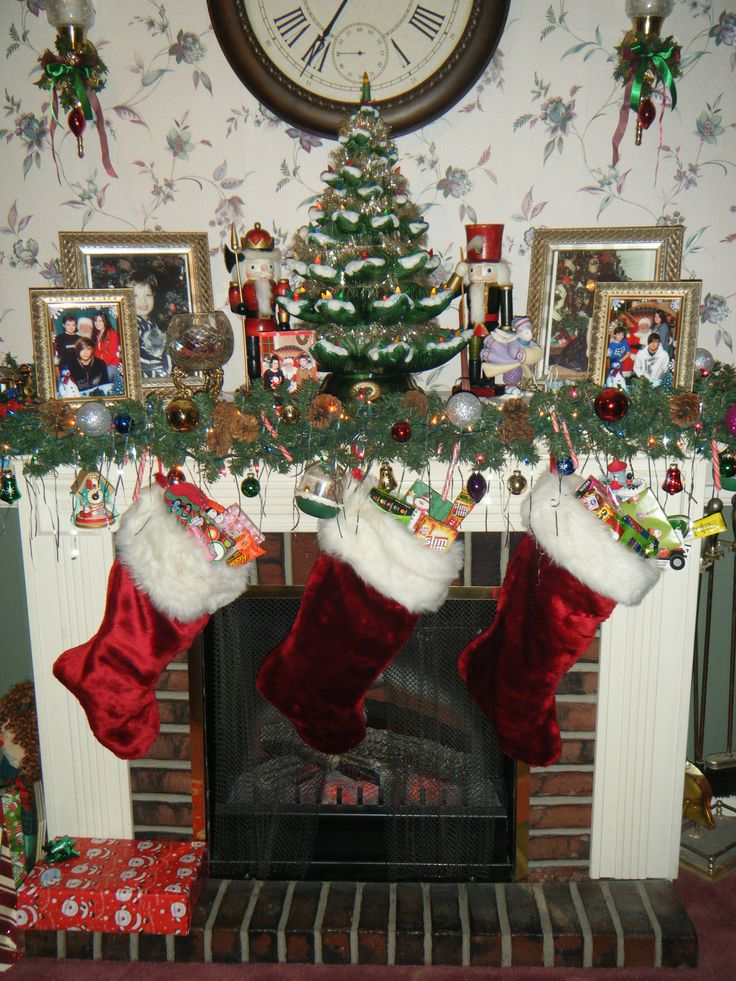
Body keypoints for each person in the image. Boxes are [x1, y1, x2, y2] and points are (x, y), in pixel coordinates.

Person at [127, 270, 168, 378]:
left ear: (154, 295)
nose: (143, 301)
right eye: (135, 296)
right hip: (144, 379)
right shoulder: (131, 325)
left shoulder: (151, 323)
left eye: (148, 294)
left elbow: (158, 348)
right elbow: (138, 357)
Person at [92, 310, 121, 381]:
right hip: (100, 365)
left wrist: (100, 367)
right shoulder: (96, 335)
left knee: (100, 380)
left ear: (105, 321)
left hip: (112, 364)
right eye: (96, 321)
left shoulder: (112, 333)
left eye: (100, 321)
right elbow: (95, 353)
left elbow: (112, 354)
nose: (97, 323)